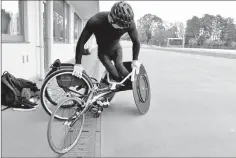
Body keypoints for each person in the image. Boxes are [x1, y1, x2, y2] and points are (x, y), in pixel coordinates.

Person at [72, 1, 141, 104]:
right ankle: (110, 88)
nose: (122, 29)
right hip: (103, 53)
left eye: (124, 27)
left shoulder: (129, 23)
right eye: (120, 26)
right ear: (111, 18)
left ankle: (132, 84)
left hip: (117, 49)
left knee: (119, 66)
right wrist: (78, 63)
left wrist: (135, 60)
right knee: (114, 73)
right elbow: (81, 42)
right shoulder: (96, 21)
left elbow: (136, 41)